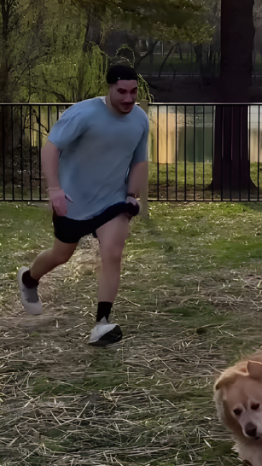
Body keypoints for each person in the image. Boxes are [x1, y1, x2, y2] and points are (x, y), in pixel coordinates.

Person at [16, 64, 149, 346]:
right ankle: (29, 278)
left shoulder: (140, 120)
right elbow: (51, 147)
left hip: (112, 201)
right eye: (121, 91)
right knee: (61, 255)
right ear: (109, 89)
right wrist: (55, 190)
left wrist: (131, 195)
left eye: (133, 91)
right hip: (73, 201)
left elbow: (139, 160)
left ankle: (102, 324)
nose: (128, 98)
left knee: (113, 252)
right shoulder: (83, 113)